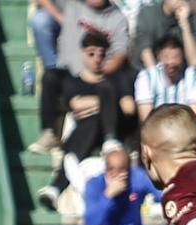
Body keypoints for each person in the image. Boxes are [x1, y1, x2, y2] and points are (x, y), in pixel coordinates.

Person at [37, 32, 137, 208]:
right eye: (92, 54)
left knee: (104, 92)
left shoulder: (116, 79)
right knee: (92, 119)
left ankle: (56, 187)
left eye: (101, 54)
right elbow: (76, 104)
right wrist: (109, 103)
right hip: (84, 136)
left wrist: (95, 103)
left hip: (115, 134)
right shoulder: (73, 82)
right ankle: (56, 189)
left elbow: (129, 107)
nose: (97, 59)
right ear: (83, 53)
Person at [29, 0, 133, 154]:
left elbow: (120, 54)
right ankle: (50, 132)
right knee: (50, 76)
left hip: (98, 78)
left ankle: (113, 139)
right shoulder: (72, 4)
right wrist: (59, 16)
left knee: (119, 80)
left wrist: (96, 70)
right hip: (69, 74)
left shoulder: (117, 17)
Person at [78, 141, 186, 225]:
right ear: (106, 169)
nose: (118, 175)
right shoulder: (94, 184)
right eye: (112, 170)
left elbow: (169, 199)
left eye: (122, 170)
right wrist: (108, 196)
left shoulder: (137, 178)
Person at [134, 36, 196, 122]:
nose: (171, 62)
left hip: (185, 128)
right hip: (156, 128)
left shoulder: (194, 76)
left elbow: (195, 117)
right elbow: (146, 118)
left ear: (183, 56)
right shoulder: (147, 77)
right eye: (166, 57)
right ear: (159, 56)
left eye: (175, 57)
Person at [132, 0, 196, 70]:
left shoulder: (192, 20)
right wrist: (156, 76)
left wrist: (185, 25)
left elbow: (194, 62)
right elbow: (145, 50)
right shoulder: (148, 13)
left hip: (179, 73)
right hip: (147, 70)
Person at [30, 0, 65, 71]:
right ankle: (53, 70)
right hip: (56, 13)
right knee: (40, 20)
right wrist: (60, 18)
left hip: (84, 11)